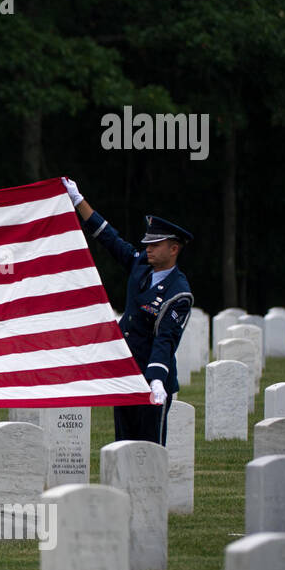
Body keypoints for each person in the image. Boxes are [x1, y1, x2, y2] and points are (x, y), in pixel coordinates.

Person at [62, 177, 194, 445]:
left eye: (155, 245)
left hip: (151, 378)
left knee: (148, 449)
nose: (148, 249)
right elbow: (111, 239)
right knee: (123, 445)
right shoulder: (142, 266)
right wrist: (79, 201)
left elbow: (165, 339)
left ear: (174, 248)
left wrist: (156, 380)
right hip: (126, 373)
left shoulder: (178, 292)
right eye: (147, 244)